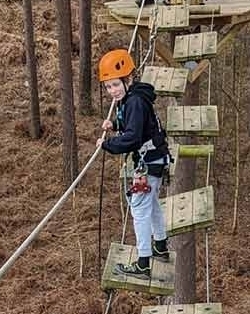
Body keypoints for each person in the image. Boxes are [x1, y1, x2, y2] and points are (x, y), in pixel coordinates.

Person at [96, 49, 170, 280]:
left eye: (116, 85)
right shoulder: (133, 98)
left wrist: (107, 144)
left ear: (128, 79)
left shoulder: (135, 101)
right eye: (108, 87)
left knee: (139, 209)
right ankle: (160, 246)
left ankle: (143, 263)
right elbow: (133, 125)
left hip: (149, 161)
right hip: (154, 158)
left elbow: (133, 138)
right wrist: (115, 125)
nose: (112, 91)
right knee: (152, 205)